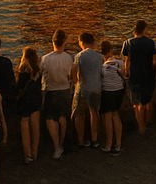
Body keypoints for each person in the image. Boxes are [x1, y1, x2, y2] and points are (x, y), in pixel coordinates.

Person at [39, 29, 74, 160]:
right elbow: (70, 76)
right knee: (62, 117)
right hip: (64, 90)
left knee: (50, 118)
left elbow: (40, 73)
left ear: (53, 42)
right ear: (64, 42)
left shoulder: (45, 59)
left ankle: (56, 146)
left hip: (51, 90)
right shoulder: (68, 58)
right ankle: (61, 142)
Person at [122, 19, 156, 135]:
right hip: (148, 74)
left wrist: (126, 73)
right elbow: (154, 60)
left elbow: (127, 62)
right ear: (144, 29)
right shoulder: (150, 42)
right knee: (147, 100)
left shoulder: (128, 43)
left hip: (135, 75)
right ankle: (147, 122)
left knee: (137, 102)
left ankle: (141, 127)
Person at [71, 32, 103, 148]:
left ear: (82, 42)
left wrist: (76, 85)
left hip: (83, 88)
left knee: (79, 114)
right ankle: (94, 138)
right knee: (94, 113)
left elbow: (74, 74)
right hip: (96, 88)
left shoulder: (78, 56)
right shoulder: (100, 57)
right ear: (93, 43)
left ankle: (80, 140)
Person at [14, 47, 42, 163]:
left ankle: (27, 154)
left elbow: (20, 86)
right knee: (35, 125)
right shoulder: (38, 69)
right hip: (36, 97)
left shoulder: (22, 68)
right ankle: (35, 151)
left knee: (24, 125)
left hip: (25, 99)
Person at [98, 40, 126, 155]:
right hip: (118, 90)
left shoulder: (102, 64)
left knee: (107, 116)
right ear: (111, 50)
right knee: (115, 115)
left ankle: (108, 143)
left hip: (107, 91)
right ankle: (118, 144)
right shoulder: (119, 61)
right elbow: (124, 74)